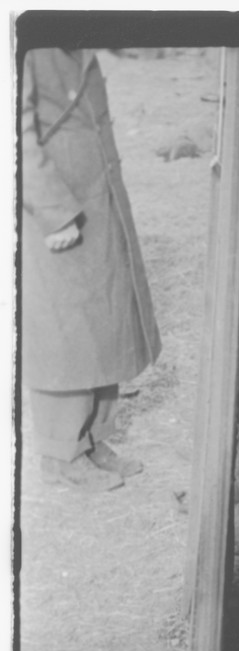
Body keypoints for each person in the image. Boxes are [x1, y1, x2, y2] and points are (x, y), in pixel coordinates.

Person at [21, 48, 162, 491]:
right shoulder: (20, 31)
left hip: (94, 194)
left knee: (104, 318)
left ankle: (94, 438)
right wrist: (52, 211)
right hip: (55, 206)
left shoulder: (68, 29)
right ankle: (61, 454)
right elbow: (14, 131)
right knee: (65, 333)